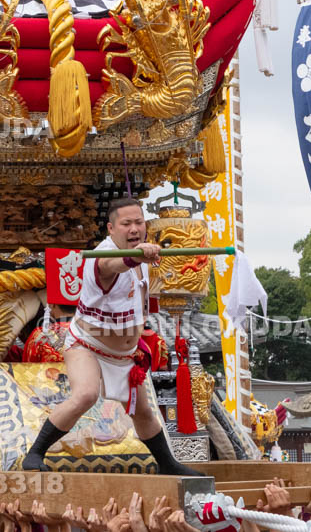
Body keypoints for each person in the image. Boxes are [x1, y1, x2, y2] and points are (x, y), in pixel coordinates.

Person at [20, 197, 202, 476]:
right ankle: (35, 454)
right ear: (111, 228)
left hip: (125, 355)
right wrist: (136, 255)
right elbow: (112, 266)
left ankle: (167, 464)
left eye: (139, 222)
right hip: (87, 344)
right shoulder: (104, 256)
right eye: (126, 224)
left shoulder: (142, 256)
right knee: (86, 394)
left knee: (142, 411)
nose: (134, 229)